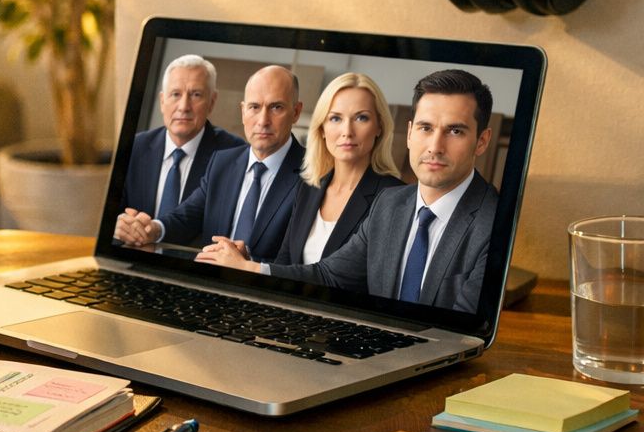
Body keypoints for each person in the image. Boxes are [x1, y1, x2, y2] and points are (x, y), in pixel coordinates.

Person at [197, 69, 498, 314]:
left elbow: (463, 335)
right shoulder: (391, 205)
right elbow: (326, 274)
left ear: (482, 141)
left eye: (455, 131)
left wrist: (250, 268)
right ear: (409, 133)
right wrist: (251, 266)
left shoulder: (494, 223)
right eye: (425, 128)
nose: (435, 146)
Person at [114, 65, 305, 262]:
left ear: (296, 112)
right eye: (254, 107)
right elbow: (186, 217)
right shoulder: (223, 162)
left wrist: (250, 265)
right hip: (207, 281)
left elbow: (305, 260)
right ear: (243, 111)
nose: (263, 120)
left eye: (276, 107)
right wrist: (152, 229)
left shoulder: (314, 173)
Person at [271, 73, 404, 265]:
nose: (347, 132)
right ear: (322, 129)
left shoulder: (394, 197)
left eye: (361, 118)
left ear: (379, 127)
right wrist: (246, 264)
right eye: (335, 118)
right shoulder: (309, 186)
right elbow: (284, 262)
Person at [120, 55, 244, 220]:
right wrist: (121, 225)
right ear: (162, 101)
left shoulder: (235, 154)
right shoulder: (135, 147)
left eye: (196, 95)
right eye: (176, 94)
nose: (184, 106)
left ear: (212, 102)